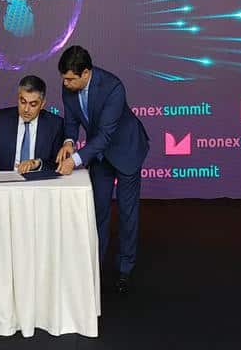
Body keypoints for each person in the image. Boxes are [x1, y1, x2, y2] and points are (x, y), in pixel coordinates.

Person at [55, 45, 149, 294]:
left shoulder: (113, 87)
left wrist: (75, 160)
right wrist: (68, 142)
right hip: (99, 155)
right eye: (64, 78)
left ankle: (125, 269)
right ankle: (94, 266)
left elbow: (106, 135)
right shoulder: (68, 85)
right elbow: (71, 121)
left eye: (70, 79)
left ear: (86, 73)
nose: (65, 84)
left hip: (126, 150)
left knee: (127, 214)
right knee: (97, 212)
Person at [0, 75, 64, 176]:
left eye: (33, 104)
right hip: (6, 181)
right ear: (18, 98)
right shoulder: (2, 119)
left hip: (39, 181)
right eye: (23, 102)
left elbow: (57, 164)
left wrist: (37, 164)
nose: (26, 109)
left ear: (42, 104)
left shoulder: (55, 124)